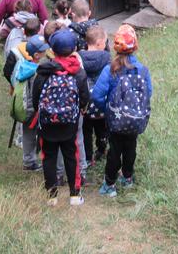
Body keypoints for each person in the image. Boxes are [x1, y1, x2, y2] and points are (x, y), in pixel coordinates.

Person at [92, 25, 152, 198]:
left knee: (114, 150)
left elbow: (97, 95)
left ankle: (109, 185)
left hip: (115, 120)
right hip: (136, 118)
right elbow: (149, 93)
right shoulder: (142, 70)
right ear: (135, 46)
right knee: (131, 147)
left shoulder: (110, 70)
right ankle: (127, 178)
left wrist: (108, 110)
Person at [32, 29, 90, 206]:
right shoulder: (78, 72)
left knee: (48, 157)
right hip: (69, 124)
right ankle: (74, 195)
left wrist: (43, 114)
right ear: (73, 49)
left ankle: (52, 197)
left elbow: (36, 98)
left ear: (53, 50)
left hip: (47, 124)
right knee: (71, 156)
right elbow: (85, 97)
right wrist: (80, 109)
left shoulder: (43, 71)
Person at [15, 34, 50, 171]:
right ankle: (31, 162)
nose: (45, 52)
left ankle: (28, 161)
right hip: (33, 109)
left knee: (27, 134)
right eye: (43, 50)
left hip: (25, 108)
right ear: (37, 55)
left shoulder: (24, 66)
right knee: (35, 134)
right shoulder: (36, 71)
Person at [79, 25, 110, 167]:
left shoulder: (79, 58)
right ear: (99, 43)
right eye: (105, 42)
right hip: (101, 102)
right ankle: (102, 147)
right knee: (102, 128)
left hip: (84, 104)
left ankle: (88, 157)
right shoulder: (107, 58)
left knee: (86, 131)